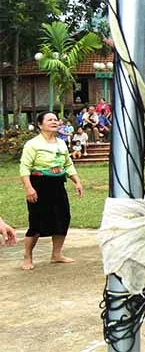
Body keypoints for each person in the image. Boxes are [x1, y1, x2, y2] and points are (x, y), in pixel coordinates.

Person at [19, 112, 85, 270]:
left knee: (63, 217)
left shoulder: (61, 144)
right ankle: (27, 257)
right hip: (39, 184)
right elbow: (24, 167)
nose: (54, 122)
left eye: (56, 120)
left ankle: (57, 254)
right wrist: (29, 187)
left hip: (57, 184)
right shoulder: (32, 144)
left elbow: (68, 164)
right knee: (36, 221)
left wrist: (77, 181)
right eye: (50, 120)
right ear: (40, 125)